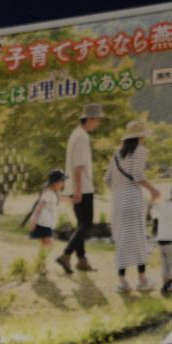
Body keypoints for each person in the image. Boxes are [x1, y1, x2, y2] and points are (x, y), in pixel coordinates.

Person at [109, 120, 161, 293]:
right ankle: (142, 280)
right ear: (140, 136)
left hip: (118, 201)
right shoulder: (140, 151)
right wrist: (153, 190)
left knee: (122, 240)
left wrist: (121, 187)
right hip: (133, 200)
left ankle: (122, 282)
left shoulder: (116, 154)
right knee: (138, 238)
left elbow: (107, 179)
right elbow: (137, 175)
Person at [55, 102, 104, 274]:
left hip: (76, 186)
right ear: (90, 119)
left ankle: (82, 260)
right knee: (86, 224)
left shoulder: (75, 134)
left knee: (81, 224)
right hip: (82, 188)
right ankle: (66, 255)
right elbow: (78, 167)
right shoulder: (82, 137)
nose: (98, 124)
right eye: (97, 120)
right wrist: (78, 192)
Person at [24, 168, 65, 251]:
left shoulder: (54, 193)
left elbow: (61, 199)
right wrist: (33, 221)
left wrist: (74, 200)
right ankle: (43, 259)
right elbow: (38, 207)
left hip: (47, 223)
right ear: (55, 182)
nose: (63, 183)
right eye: (62, 181)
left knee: (46, 245)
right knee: (49, 244)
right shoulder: (47, 193)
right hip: (42, 223)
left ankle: (42, 259)